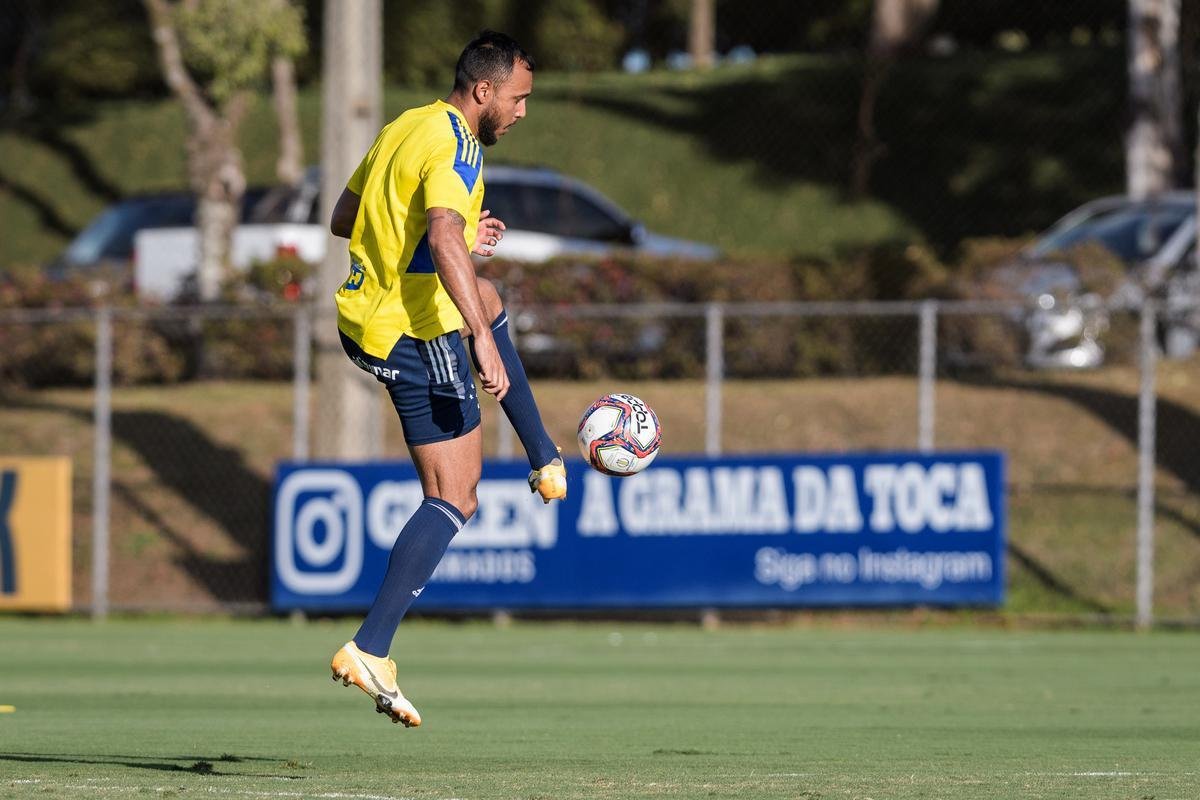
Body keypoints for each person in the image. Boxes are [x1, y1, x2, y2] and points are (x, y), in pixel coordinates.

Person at [326, 30, 564, 728]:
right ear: (483, 92)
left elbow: (348, 216)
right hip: (409, 333)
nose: (522, 112)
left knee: (486, 297)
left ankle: (545, 456)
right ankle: (371, 648)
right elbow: (439, 236)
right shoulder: (458, 145)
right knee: (456, 494)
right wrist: (481, 342)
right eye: (518, 98)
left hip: (365, 315)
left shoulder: (409, 124)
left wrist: (458, 235)